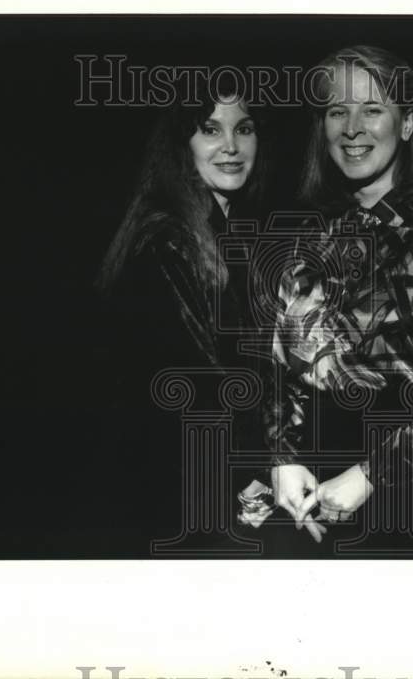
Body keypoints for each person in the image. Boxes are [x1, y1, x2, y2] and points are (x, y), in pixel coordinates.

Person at [262, 45, 413, 552]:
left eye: (373, 109)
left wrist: (370, 476)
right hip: (313, 488)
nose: (352, 128)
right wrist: (282, 457)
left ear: (410, 122)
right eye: (336, 111)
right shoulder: (313, 230)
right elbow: (284, 359)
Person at [94, 74, 272, 554]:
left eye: (246, 128)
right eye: (210, 129)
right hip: (179, 512)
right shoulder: (168, 240)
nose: (232, 146)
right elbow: (199, 390)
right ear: (181, 143)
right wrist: (253, 479)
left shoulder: (221, 233)